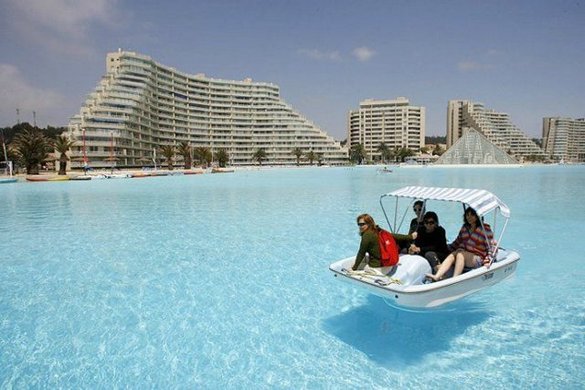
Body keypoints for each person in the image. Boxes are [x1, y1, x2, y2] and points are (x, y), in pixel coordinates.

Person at [426, 207, 495, 282]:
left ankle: (455, 279)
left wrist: (489, 259)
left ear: (477, 216)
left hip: (478, 258)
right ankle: (437, 276)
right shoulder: (465, 228)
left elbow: (491, 247)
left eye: (472, 215)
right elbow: (457, 242)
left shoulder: (485, 229)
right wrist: (445, 248)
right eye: (467, 215)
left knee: (460, 254)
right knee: (453, 254)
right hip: (463, 254)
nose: (469, 217)